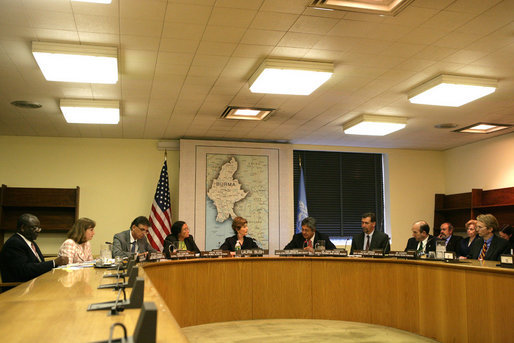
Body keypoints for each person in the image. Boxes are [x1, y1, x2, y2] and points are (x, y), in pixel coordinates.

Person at [0, 213, 68, 284]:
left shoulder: (30, 242)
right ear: (23, 228)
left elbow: (40, 263)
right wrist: (54, 263)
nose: (38, 231)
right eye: (34, 228)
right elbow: (24, 270)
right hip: (18, 288)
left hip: (34, 283)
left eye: (39, 228)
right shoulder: (14, 243)